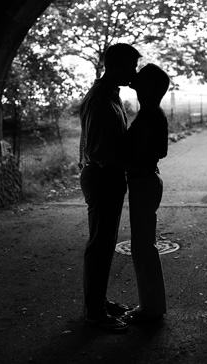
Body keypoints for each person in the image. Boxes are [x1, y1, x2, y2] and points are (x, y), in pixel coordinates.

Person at [78, 43, 140, 333]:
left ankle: (99, 302)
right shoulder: (101, 97)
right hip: (103, 177)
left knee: (104, 242)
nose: (134, 72)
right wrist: (128, 159)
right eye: (132, 66)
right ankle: (94, 312)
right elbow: (97, 147)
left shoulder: (110, 94)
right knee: (100, 245)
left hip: (109, 176)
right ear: (117, 65)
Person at [121, 64, 171, 325]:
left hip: (143, 182)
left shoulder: (149, 115)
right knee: (144, 246)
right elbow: (160, 150)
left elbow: (149, 150)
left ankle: (150, 309)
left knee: (143, 247)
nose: (135, 77)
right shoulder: (154, 113)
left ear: (148, 86)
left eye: (141, 77)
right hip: (147, 180)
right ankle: (152, 305)